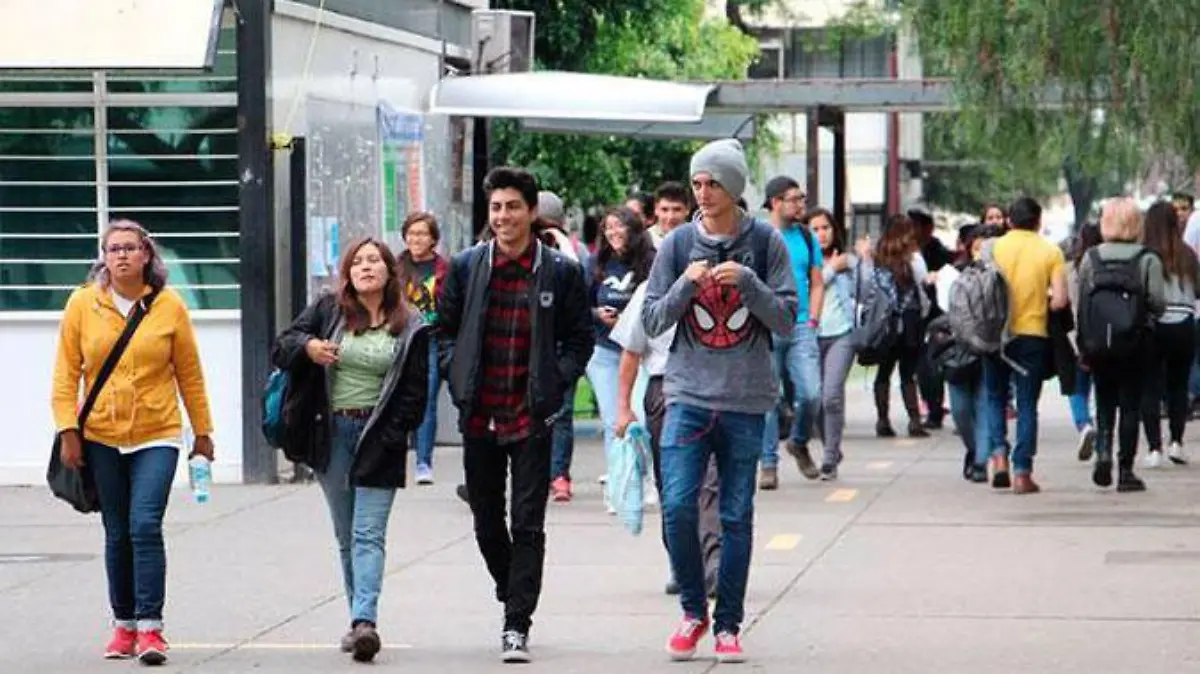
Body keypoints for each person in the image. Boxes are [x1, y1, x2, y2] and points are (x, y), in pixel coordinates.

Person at [643, 139, 798, 662]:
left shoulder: (765, 242)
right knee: (678, 507)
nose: (703, 193)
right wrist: (684, 287)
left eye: (713, 184)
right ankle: (693, 611)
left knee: (735, 515)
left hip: (745, 400)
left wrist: (750, 284)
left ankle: (728, 623)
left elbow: (787, 320)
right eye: (697, 183)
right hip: (687, 395)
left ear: (734, 188)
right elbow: (651, 320)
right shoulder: (677, 244)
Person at [438, 166, 594, 662]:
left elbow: (580, 339)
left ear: (531, 212)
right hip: (479, 414)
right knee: (487, 523)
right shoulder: (466, 267)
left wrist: (554, 382)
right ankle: (513, 590)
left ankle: (516, 624)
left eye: (512, 207)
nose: (503, 216)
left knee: (527, 524)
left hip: (531, 418)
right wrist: (455, 374)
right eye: (496, 208)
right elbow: (442, 331)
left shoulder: (561, 272)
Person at [51, 219, 215, 666]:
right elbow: (65, 374)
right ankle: (123, 626)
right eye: (113, 249)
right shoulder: (83, 304)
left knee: (145, 525)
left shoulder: (169, 305)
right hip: (100, 435)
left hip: (156, 433)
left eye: (130, 248)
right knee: (117, 530)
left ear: (146, 255)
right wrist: (68, 431)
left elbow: (190, 374)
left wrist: (202, 432)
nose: (121, 255)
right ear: (104, 257)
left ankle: (150, 628)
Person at [272, 238, 431, 663]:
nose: (365, 267)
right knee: (347, 535)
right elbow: (282, 345)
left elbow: (416, 392)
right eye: (357, 262)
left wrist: (393, 434)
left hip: (380, 436)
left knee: (368, 533)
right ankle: (357, 620)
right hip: (331, 431)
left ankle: (365, 621)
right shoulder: (329, 310)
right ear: (348, 273)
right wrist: (309, 348)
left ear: (389, 271)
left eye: (374, 260)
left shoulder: (410, 323)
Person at [1077, 198, 1165, 492]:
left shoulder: (1091, 258)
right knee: (1130, 406)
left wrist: (1084, 343)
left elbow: (1082, 304)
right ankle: (1126, 470)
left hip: (1099, 343)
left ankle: (1103, 451)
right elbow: (1158, 303)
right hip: (1136, 343)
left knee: (1104, 401)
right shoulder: (1147, 259)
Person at [983, 197, 1069, 493]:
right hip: (1033, 335)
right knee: (1027, 403)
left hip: (995, 334)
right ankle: (1022, 472)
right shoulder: (1050, 252)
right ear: (1038, 222)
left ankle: (998, 455)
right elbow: (1060, 301)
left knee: (995, 397)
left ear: (1009, 221)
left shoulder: (993, 248)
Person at [585, 207, 656, 510]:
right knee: (614, 420)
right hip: (604, 351)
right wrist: (597, 314)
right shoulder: (595, 263)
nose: (614, 233)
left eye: (620, 226)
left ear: (633, 229)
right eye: (608, 227)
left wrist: (629, 320)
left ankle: (645, 475)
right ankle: (620, 486)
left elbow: (658, 305)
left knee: (639, 415)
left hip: (640, 352)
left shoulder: (651, 262)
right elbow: (579, 303)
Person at [759, 175, 823, 489]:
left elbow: (817, 282)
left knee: (811, 393)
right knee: (768, 398)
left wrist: (813, 319)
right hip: (767, 325)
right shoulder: (758, 237)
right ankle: (768, 463)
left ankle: (798, 441)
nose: (801, 205)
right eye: (795, 199)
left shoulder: (807, 238)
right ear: (776, 202)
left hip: (800, 326)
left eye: (802, 198)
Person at [857, 214, 930, 438]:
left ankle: (883, 420)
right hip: (910, 321)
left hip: (885, 322)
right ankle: (914, 421)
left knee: (884, 372)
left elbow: (866, 288)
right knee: (908, 373)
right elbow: (922, 288)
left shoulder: (877, 258)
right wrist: (924, 313)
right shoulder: (914, 259)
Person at [1139, 201, 1198, 467]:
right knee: (1178, 386)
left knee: (1150, 386)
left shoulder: (1144, 256)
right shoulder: (1188, 254)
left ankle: (1154, 448)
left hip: (1154, 325)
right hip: (1184, 324)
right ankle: (1177, 442)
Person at [398, 213, 450, 485]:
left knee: (427, 399)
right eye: (411, 233)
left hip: (431, 338)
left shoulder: (445, 269)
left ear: (433, 239)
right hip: (401, 339)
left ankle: (423, 461)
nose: (415, 239)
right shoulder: (395, 267)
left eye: (422, 234)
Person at [809, 208, 858, 479]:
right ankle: (832, 446)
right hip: (810, 335)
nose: (821, 234)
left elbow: (867, 287)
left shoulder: (847, 261)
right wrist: (830, 269)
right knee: (813, 398)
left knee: (831, 395)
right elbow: (807, 288)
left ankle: (829, 457)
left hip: (842, 333)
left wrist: (863, 260)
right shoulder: (802, 261)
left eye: (825, 228)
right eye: (815, 229)